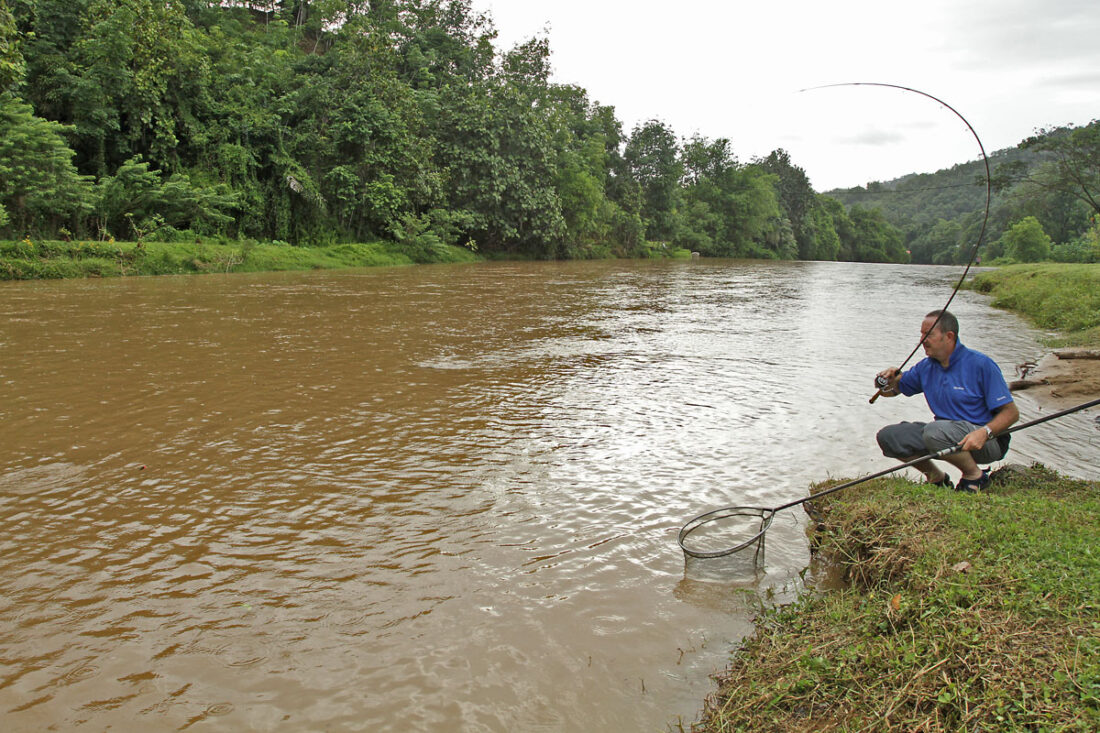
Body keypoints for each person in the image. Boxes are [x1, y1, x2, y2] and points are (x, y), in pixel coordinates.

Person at [875, 309, 1020, 493]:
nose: (922, 340)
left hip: (987, 441)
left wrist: (984, 432)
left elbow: (1012, 413)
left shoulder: (982, 364)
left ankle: (974, 477)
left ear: (949, 336)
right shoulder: (925, 367)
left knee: (935, 431)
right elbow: (893, 390)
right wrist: (885, 380)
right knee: (889, 437)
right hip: (943, 435)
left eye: (928, 335)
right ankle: (937, 479)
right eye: (921, 334)